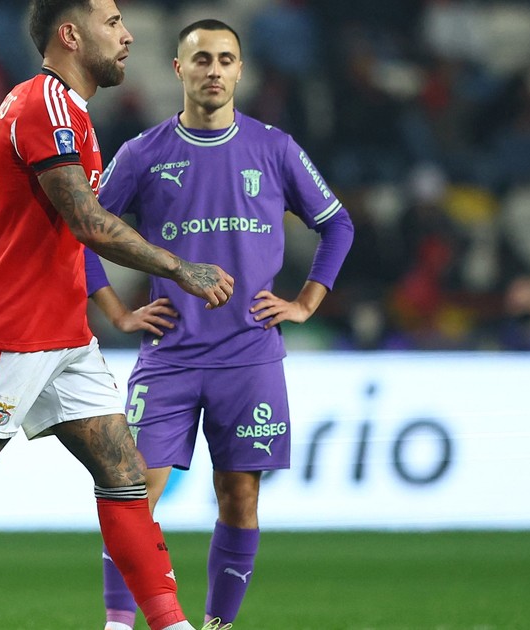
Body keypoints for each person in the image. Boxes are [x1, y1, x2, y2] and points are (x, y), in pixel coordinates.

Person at [0, 2, 236, 630]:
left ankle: (171, 624)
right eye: (112, 22)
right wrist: (181, 268)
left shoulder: (49, 107)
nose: (128, 35)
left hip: (64, 334)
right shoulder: (44, 106)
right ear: (71, 34)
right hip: (11, 330)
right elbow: (88, 222)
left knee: (124, 473)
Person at [85, 19, 355, 630]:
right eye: (201, 58)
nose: (214, 70)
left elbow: (337, 224)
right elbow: (81, 233)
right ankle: (118, 625)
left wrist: (306, 302)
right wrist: (117, 312)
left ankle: (217, 625)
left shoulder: (275, 149)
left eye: (226, 59)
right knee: (130, 494)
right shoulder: (143, 154)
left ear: (240, 71)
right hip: (170, 356)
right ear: (178, 69)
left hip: (249, 358)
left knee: (240, 498)